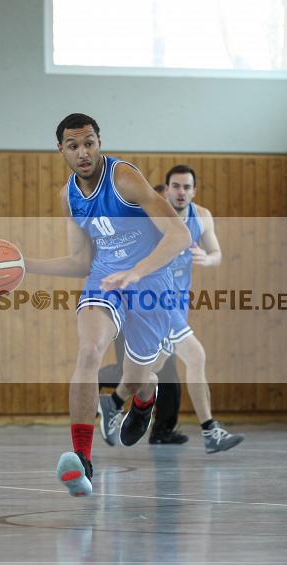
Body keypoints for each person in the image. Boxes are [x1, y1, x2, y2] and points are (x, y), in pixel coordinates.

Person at [25, 113, 190, 497]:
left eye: (89, 143)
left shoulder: (124, 179)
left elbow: (178, 235)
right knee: (89, 351)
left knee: (134, 378)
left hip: (150, 282)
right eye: (73, 146)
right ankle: (82, 460)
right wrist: (25, 264)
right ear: (61, 149)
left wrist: (137, 271)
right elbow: (80, 262)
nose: (82, 153)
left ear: (99, 142)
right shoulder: (69, 196)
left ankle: (143, 399)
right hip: (104, 281)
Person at [98, 165, 244, 453]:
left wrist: (207, 257)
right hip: (152, 301)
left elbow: (217, 254)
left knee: (148, 374)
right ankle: (210, 430)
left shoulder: (201, 217)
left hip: (176, 305)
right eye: (176, 187)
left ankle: (113, 402)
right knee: (196, 355)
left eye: (187, 187)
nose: (181, 192)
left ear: (194, 190)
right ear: (165, 190)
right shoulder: (150, 217)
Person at [98, 182, 187, 446]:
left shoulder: (173, 227)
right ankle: (122, 404)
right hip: (144, 306)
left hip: (160, 307)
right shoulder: (138, 229)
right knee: (148, 372)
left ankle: (140, 410)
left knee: (154, 374)